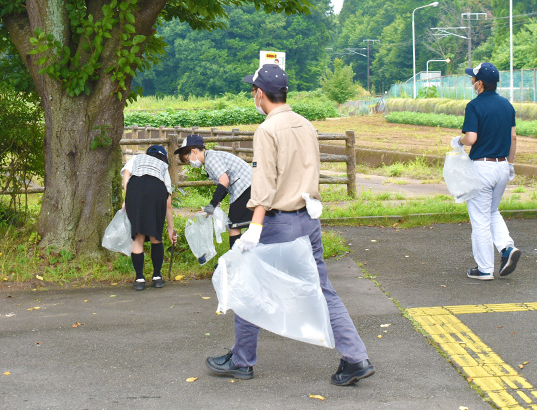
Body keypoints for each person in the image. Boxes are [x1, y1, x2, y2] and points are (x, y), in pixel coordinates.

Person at [205, 64, 374, 386]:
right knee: (322, 289)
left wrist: (253, 229)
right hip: (308, 219)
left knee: (248, 283)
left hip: (277, 222)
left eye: (253, 91)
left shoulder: (267, 131)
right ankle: (356, 357)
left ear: (259, 93)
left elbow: (264, 185)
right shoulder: (305, 125)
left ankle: (241, 361)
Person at [451, 62, 522, 281]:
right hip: (502, 166)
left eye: (473, 78)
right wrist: (510, 164)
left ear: (480, 83)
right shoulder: (507, 105)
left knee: (480, 219)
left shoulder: (474, 106)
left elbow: (471, 138)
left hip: (482, 167)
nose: (471, 81)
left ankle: (484, 269)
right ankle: (507, 248)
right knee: (491, 211)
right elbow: (513, 137)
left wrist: (459, 141)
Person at [173, 134, 253, 249]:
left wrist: (212, 205)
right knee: (241, 224)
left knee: (234, 226)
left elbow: (224, 181)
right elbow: (225, 184)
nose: (190, 163)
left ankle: (234, 261)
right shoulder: (211, 158)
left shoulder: (211, 159)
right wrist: (214, 205)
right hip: (246, 185)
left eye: (188, 159)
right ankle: (241, 257)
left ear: (194, 151)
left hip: (245, 186)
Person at [121, 145, 177, 291]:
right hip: (156, 190)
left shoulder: (136, 158)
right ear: (164, 157)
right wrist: (171, 229)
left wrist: (128, 198)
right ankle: (157, 277)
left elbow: (126, 176)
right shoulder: (163, 166)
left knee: (138, 236)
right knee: (155, 235)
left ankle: (139, 278)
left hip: (135, 188)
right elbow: (168, 204)